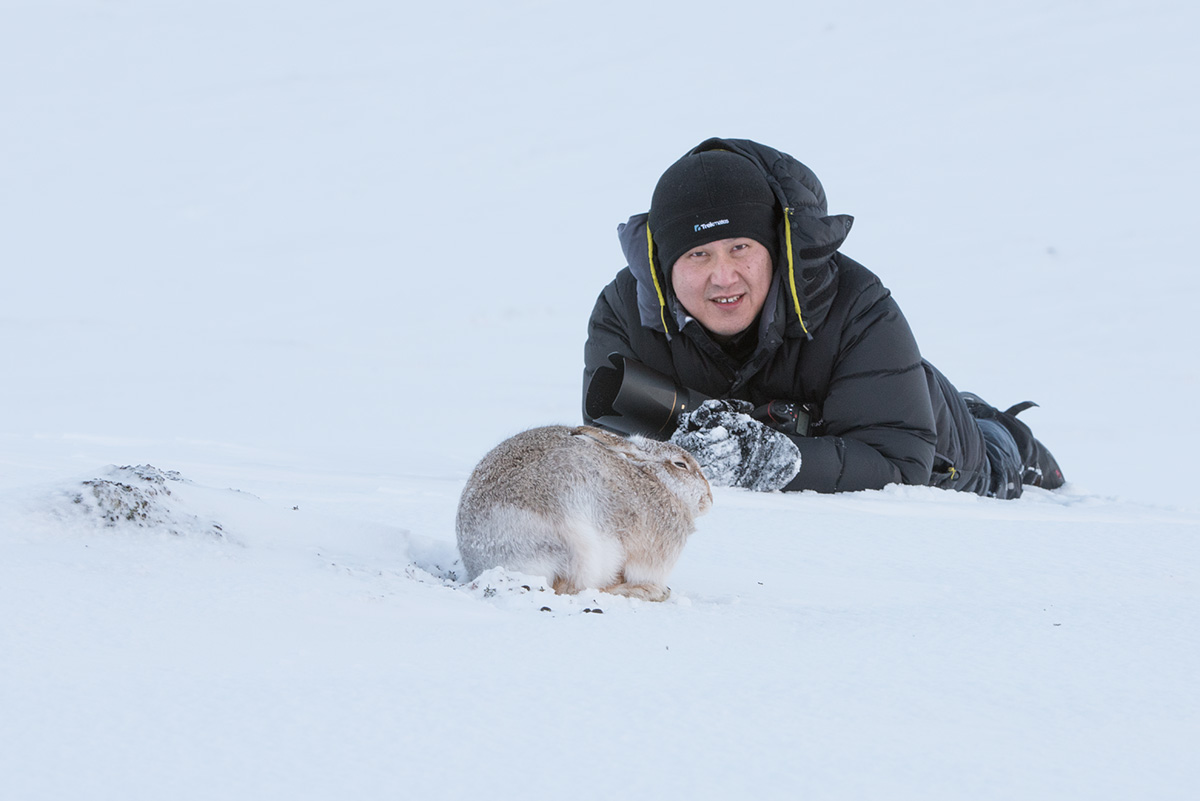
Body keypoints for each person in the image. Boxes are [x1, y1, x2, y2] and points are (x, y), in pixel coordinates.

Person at [582, 137, 1064, 498]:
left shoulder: (856, 305)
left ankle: (1006, 433)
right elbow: (606, 448)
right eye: (697, 256)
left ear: (773, 249)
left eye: (740, 248)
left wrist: (769, 459)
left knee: (996, 455)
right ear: (663, 266)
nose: (723, 277)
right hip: (855, 407)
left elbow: (900, 463)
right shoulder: (625, 313)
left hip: (948, 451)